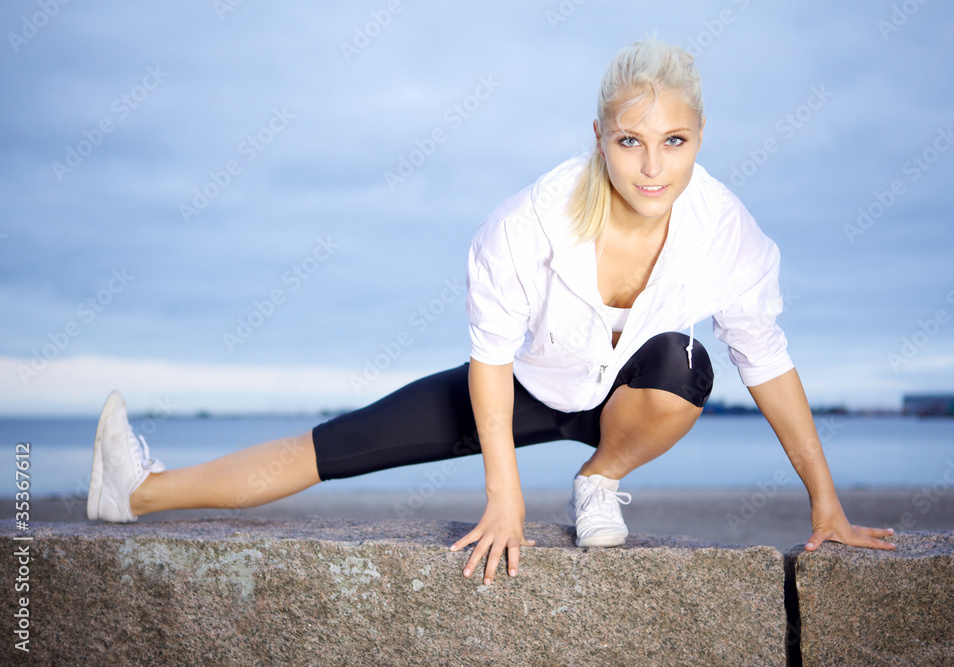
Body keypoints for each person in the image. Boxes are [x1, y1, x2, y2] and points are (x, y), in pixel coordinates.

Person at [87, 38, 895, 587]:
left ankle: (599, 481)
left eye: (674, 141)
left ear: (701, 137)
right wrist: (503, 494)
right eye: (630, 142)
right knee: (331, 445)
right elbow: (492, 360)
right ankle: (136, 490)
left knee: (691, 361)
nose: (652, 168)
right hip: (520, 386)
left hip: (630, 401)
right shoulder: (530, 221)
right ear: (600, 135)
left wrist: (825, 500)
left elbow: (769, 359)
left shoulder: (727, 230)